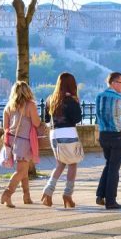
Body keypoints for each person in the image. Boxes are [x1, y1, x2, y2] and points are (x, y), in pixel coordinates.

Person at [40, 72, 83, 208]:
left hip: (54, 134)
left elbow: (46, 119)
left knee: (60, 164)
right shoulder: (71, 100)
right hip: (68, 133)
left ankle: (48, 191)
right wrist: (77, 103)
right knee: (73, 164)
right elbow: (77, 118)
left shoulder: (50, 99)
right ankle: (67, 194)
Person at [95, 72, 121, 209]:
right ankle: (111, 200)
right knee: (114, 169)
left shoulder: (99, 97)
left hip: (103, 135)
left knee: (109, 164)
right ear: (113, 83)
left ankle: (100, 195)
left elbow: (99, 116)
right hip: (118, 135)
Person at [0, 81, 42, 208]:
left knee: (24, 171)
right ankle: (7, 193)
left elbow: (5, 127)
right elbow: (36, 123)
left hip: (11, 142)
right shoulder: (30, 105)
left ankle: (26, 196)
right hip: (23, 142)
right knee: (21, 171)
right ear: (27, 91)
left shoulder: (8, 106)